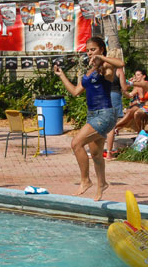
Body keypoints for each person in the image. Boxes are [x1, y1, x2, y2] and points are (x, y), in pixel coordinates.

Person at [53, 36, 125, 201]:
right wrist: (61, 75)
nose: (90, 53)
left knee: (76, 143)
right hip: (92, 115)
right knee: (96, 154)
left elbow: (121, 64)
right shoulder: (89, 71)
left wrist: (101, 58)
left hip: (105, 114)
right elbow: (75, 91)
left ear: (101, 49)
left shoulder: (106, 67)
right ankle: (102, 185)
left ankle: (85, 180)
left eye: (93, 49)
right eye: (88, 50)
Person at [113, 69, 148, 136]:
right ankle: (139, 132)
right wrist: (124, 90)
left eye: (138, 75)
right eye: (135, 75)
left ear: (144, 76)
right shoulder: (137, 87)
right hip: (144, 106)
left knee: (136, 113)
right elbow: (129, 95)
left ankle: (115, 127)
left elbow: (139, 84)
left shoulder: (146, 83)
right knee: (133, 113)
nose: (136, 77)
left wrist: (126, 81)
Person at [104, 50, 129, 158]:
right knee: (111, 126)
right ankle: (109, 152)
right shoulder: (119, 71)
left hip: (104, 95)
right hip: (114, 95)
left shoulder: (104, 70)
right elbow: (124, 88)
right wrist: (130, 84)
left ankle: (97, 150)